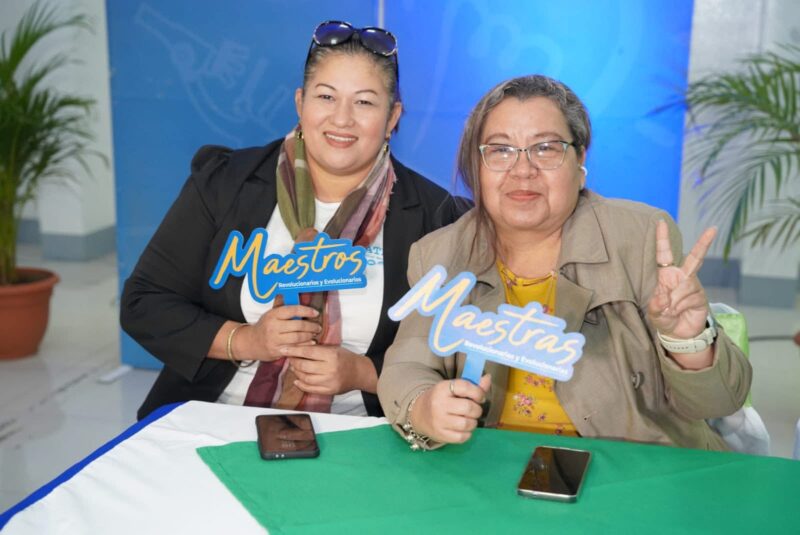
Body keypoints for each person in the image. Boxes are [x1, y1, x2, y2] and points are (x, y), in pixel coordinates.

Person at [377, 75, 752, 451]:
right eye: (501, 150)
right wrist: (422, 407)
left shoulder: (639, 238)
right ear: (478, 163)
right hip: (490, 465)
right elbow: (406, 366)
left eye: (545, 148)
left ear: (580, 158)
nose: (522, 170)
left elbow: (719, 402)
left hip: (631, 468)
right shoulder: (440, 254)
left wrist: (686, 342)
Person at [121, 21, 466, 420]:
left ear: (392, 117)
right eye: (326, 96)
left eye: (364, 102)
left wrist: (363, 372)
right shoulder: (226, 182)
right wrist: (246, 340)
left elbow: (455, 356)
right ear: (301, 104)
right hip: (213, 415)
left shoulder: (434, 216)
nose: (342, 118)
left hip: (359, 429)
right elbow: (145, 302)